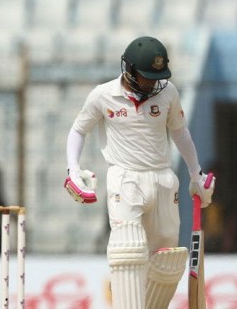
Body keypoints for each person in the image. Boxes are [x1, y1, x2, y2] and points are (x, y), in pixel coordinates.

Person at [64, 36, 215, 309]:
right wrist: (73, 169)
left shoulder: (168, 92)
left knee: (167, 260)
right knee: (128, 254)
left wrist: (196, 174)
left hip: (163, 179)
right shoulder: (103, 95)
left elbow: (180, 133)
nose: (150, 83)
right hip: (125, 179)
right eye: (145, 76)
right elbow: (78, 130)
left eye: (155, 76)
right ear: (129, 69)